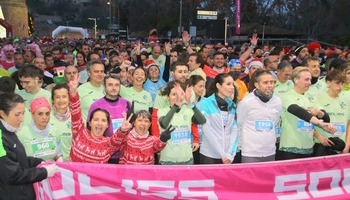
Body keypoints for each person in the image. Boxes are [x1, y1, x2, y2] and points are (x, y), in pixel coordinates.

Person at [0, 93, 57, 200]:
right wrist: (44, 172)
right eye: (17, 115)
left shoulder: (10, 130)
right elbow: (12, 174)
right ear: (2, 114)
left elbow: (17, 158)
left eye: (23, 113)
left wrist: (37, 162)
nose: (21, 119)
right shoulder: (1, 137)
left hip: (24, 192)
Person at [68, 74, 131, 163]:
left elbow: (117, 138)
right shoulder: (79, 133)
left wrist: (123, 130)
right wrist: (73, 91)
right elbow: (75, 111)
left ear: (107, 125)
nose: (99, 123)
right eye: (96, 119)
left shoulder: (108, 144)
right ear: (90, 122)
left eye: (104, 120)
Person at [279, 67, 336, 160]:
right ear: (296, 80)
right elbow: (299, 112)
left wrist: (319, 113)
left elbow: (326, 118)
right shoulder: (286, 96)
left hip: (308, 148)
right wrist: (320, 123)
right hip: (290, 149)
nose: (309, 82)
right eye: (306, 79)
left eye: (310, 79)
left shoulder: (310, 97)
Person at [237, 70, 282, 163]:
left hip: (270, 150)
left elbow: (276, 122)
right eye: (265, 83)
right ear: (257, 85)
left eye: (272, 82)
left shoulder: (277, 101)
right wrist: (240, 145)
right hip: (250, 152)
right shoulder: (246, 102)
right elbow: (238, 124)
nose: (270, 85)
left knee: (268, 177)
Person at [157, 81, 206, 165]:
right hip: (168, 161)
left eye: (180, 94)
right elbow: (164, 125)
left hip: (187, 160)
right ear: (167, 97)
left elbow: (202, 120)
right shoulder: (162, 111)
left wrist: (191, 104)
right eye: (174, 94)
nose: (178, 97)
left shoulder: (187, 110)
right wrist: (176, 106)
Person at [87, 74, 130, 163]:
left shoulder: (127, 104)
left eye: (117, 85)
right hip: (104, 153)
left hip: (124, 153)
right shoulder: (96, 105)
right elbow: (89, 130)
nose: (114, 88)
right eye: (110, 85)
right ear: (104, 86)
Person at [197, 73, 239, 164]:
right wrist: (222, 154)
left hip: (228, 156)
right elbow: (207, 131)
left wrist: (229, 153)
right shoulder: (206, 103)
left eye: (233, 84)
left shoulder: (232, 105)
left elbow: (234, 130)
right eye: (228, 84)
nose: (232, 87)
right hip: (209, 154)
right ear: (218, 86)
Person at [313, 70, 350, 155]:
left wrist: (347, 146)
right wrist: (319, 137)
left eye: (342, 84)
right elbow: (310, 121)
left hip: (341, 146)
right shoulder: (317, 98)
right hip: (322, 144)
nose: (340, 87)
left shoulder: (346, 99)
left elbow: (348, 124)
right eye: (337, 83)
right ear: (328, 83)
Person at [17, 97, 62, 161]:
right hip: (32, 169)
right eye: (40, 114)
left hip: (53, 169)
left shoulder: (54, 130)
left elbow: (59, 154)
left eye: (47, 114)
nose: (44, 117)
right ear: (32, 115)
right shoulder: (22, 133)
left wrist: (59, 160)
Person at [49, 83, 72, 161]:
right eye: (57, 97)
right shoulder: (46, 118)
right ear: (53, 100)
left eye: (64, 97)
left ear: (69, 98)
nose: (61, 100)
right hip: (53, 165)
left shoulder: (76, 117)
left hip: (73, 164)